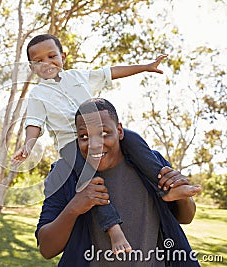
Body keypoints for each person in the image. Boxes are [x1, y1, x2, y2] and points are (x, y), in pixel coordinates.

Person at [11, 33, 196, 253]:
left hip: (99, 129)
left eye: (52, 56)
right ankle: (113, 228)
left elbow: (111, 72)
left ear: (63, 56)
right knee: (90, 186)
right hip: (73, 145)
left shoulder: (79, 76)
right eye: (39, 61)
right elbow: (34, 123)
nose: (47, 63)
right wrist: (28, 145)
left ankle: (167, 188)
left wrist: (145, 67)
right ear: (33, 68)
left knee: (135, 139)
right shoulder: (38, 94)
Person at [35, 98, 201, 266]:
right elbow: (47, 250)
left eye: (104, 133)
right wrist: (74, 207)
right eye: (84, 136)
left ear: (120, 131)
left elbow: (186, 218)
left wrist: (182, 197)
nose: (94, 145)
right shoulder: (63, 175)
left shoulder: (152, 164)